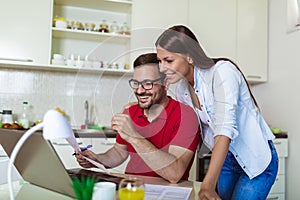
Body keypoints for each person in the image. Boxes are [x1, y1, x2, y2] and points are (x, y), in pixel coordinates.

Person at [155, 25, 278, 199]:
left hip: (255, 159)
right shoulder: (182, 88)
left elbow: (223, 131)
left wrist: (207, 185)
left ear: (189, 57)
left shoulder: (222, 72)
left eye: (168, 60)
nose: (162, 68)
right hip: (226, 161)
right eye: (160, 61)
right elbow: (189, 131)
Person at [75, 53, 200, 183]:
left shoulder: (186, 116)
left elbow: (175, 174)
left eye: (147, 83)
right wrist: (96, 160)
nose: (139, 91)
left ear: (166, 84)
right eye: (136, 83)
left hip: (166, 192)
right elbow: (119, 152)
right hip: (130, 188)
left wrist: (134, 136)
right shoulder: (130, 112)